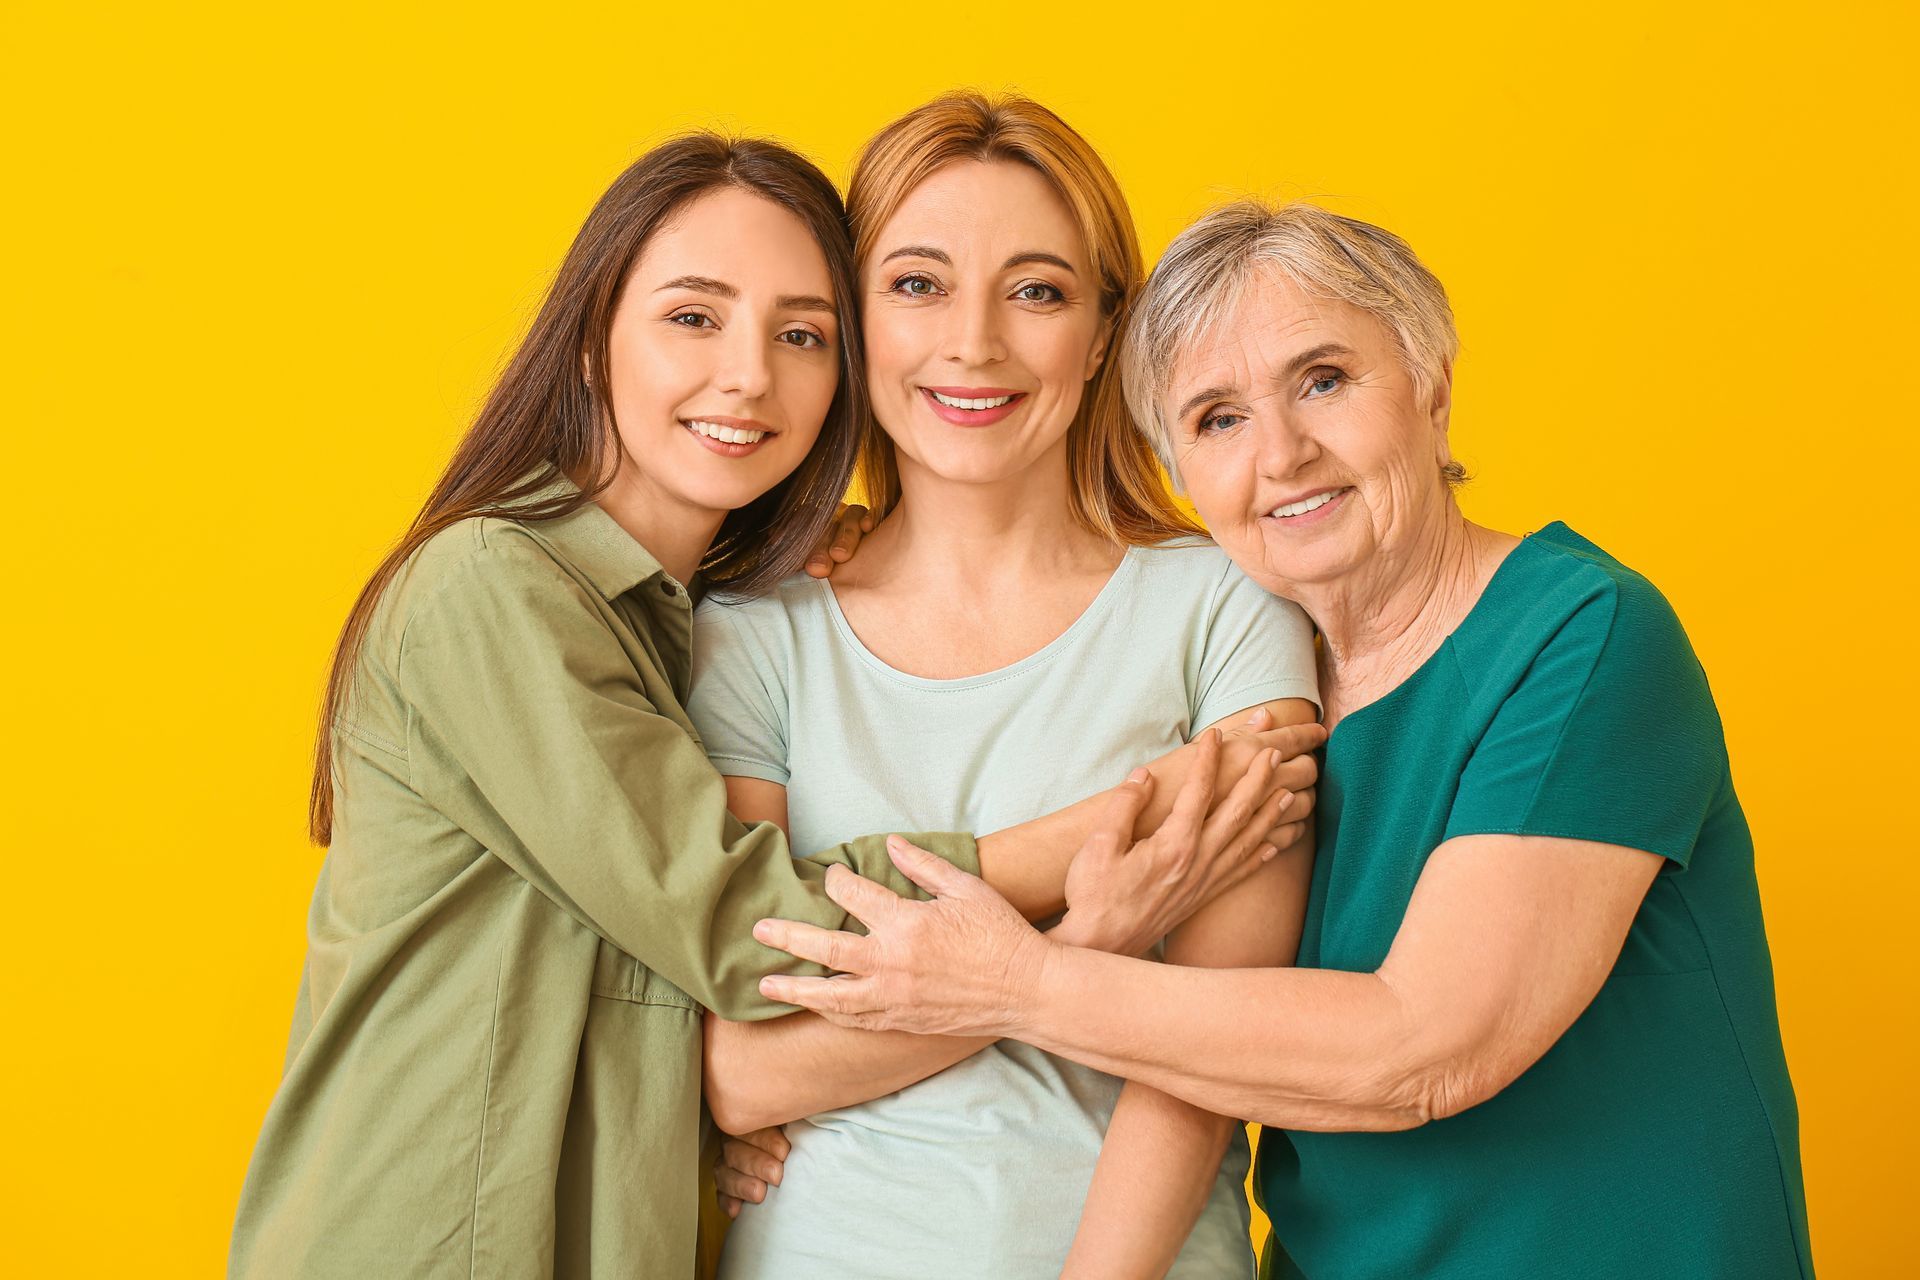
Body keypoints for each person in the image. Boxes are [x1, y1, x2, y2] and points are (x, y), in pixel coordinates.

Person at [228, 136, 1307, 1280]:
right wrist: (1111, 867)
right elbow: (745, 942)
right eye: (693, 317)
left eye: (799, 334)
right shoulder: (500, 591)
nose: (748, 376)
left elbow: (714, 1035)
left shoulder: (688, 616)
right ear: (591, 340)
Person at [749, 199, 1814, 1279]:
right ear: (1179, 469)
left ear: (1432, 387)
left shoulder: (1579, 637)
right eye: (1217, 419)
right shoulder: (1265, 677)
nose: (1284, 454)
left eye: (1324, 380)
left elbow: (1430, 1050)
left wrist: (1018, 980)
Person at [691, 93, 1321, 1280]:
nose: (974, 342)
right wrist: (1095, 936)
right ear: (854, 322)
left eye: (1036, 290)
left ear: (1101, 334)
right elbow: (742, 1068)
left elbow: (1217, 1046)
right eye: (918, 284)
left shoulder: (1227, 606)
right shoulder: (753, 632)